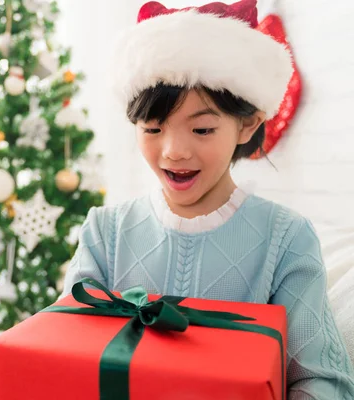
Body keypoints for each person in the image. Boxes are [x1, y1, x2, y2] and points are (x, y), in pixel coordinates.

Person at [61, 0, 354, 398]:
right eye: (152, 128)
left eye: (201, 130)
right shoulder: (104, 232)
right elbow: (64, 353)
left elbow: (322, 380)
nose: (173, 151)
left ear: (247, 124)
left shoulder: (286, 239)